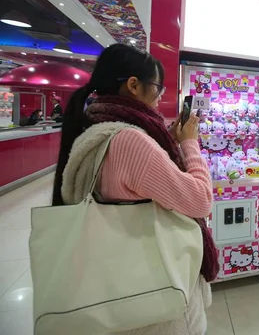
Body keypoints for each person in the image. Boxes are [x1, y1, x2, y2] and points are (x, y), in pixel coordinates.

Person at [52, 44, 218, 335]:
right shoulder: (130, 141)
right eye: (157, 88)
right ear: (133, 85)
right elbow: (200, 200)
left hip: (112, 288)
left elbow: (132, 180)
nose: (159, 97)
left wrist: (168, 141)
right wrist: (190, 143)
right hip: (152, 303)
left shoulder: (95, 131)